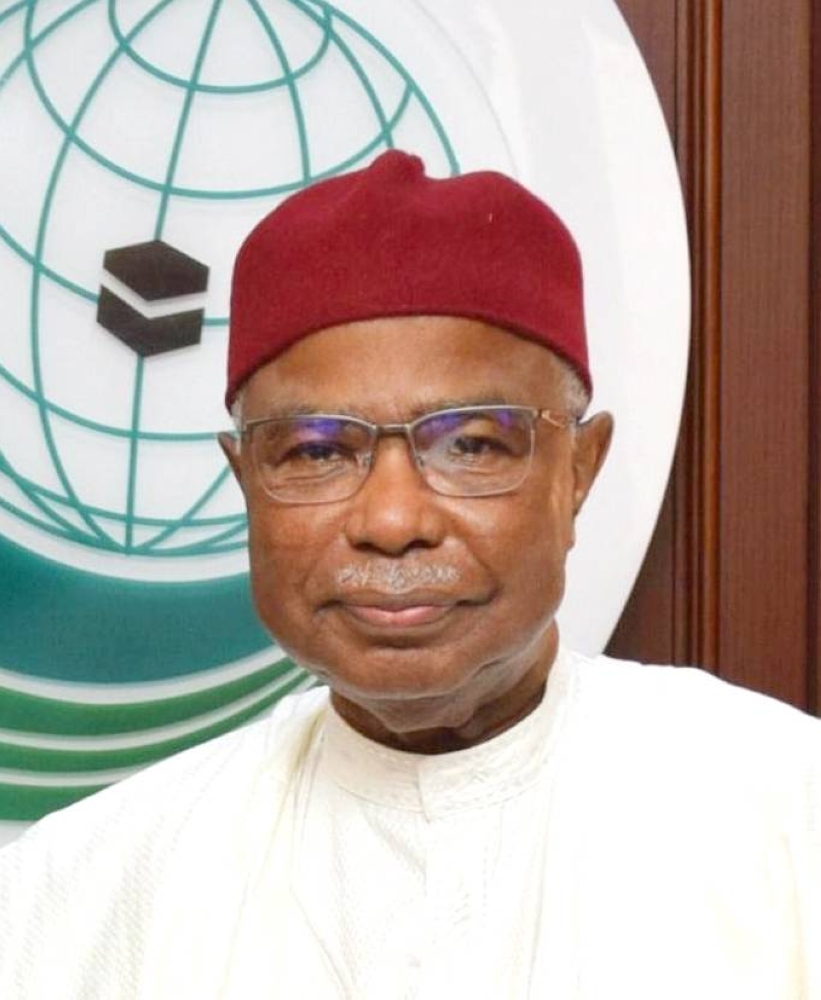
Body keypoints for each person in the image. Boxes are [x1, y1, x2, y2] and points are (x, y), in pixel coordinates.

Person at [1, 150, 819, 999]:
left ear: (578, 471)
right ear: (246, 481)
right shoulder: (80, 895)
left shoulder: (785, 820)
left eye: (470, 444)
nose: (392, 522)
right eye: (315, 451)